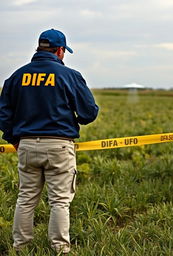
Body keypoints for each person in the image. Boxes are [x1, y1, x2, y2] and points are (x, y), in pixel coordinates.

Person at [0, 28, 99, 254]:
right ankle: (60, 249)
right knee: (60, 202)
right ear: (60, 51)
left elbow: (3, 115)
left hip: (25, 145)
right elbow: (88, 113)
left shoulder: (17, 76)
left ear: (39, 48)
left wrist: (13, 138)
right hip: (59, 146)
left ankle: (20, 247)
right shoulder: (69, 76)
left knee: (25, 199)